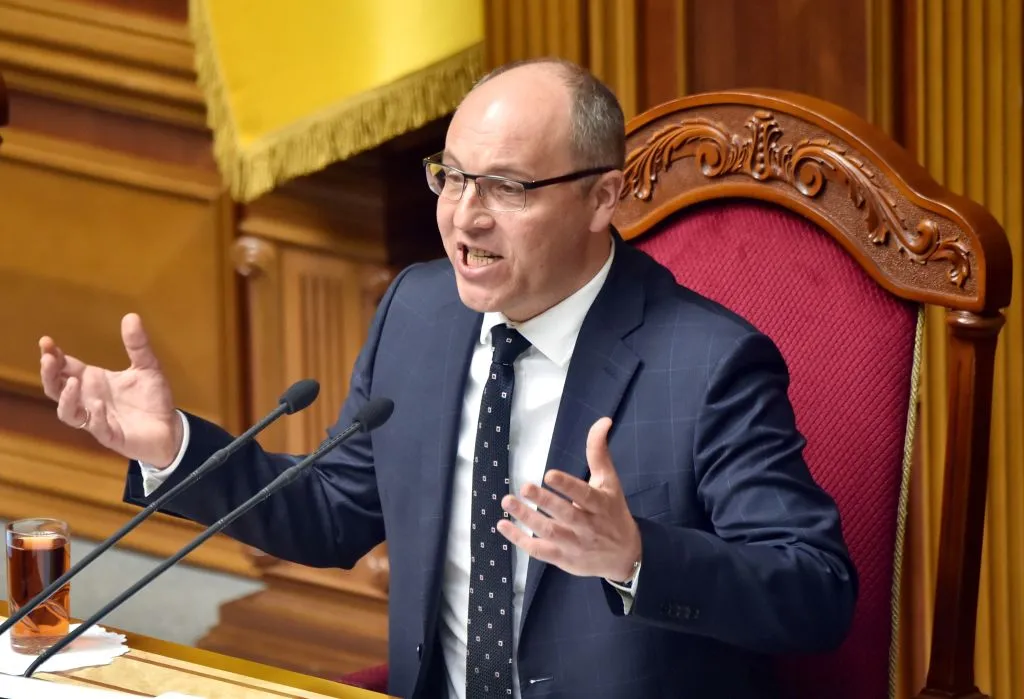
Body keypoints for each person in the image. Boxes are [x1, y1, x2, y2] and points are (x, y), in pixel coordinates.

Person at [38, 58, 857, 699]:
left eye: (506, 187)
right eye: (453, 176)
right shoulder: (420, 312)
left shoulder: (708, 364)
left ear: (602, 198)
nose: (465, 217)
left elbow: (817, 592)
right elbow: (333, 513)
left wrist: (636, 555)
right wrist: (175, 449)